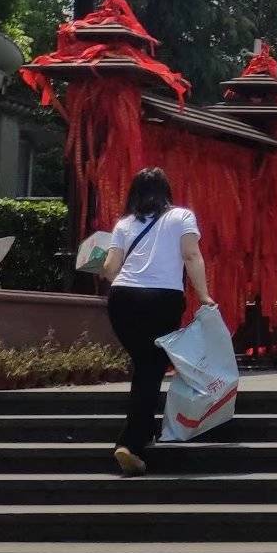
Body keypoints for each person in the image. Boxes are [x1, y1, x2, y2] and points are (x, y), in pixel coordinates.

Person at [99, 167, 213, 477]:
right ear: (167, 192)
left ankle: (142, 433)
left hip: (123, 298)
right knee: (151, 367)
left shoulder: (124, 224)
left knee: (144, 363)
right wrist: (204, 296)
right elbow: (191, 256)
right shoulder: (182, 217)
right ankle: (131, 444)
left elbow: (110, 267)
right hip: (162, 299)